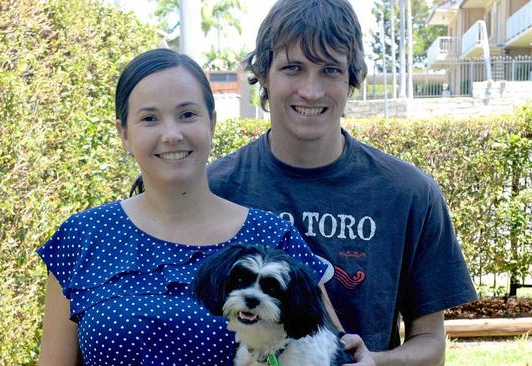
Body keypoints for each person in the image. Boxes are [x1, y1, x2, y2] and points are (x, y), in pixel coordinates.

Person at [208, 0, 478, 365]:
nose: (311, 91)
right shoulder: (213, 189)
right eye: (293, 68)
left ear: (352, 79)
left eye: (330, 70)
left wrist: (373, 362)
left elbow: (432, 345)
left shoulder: (408, 194)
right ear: (264, 74)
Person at [36, 48, 335, 365]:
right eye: (149, 118)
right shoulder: (83, 237)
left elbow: (331, 349)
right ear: (123, 133)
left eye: (187, 114)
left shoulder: (274, 238)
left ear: (212, 122)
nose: (172, 135)